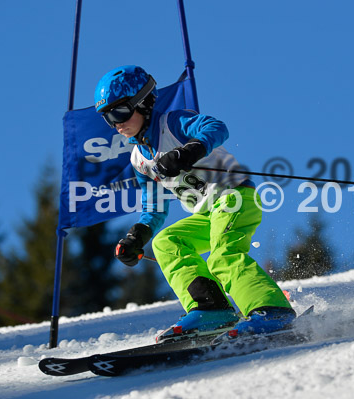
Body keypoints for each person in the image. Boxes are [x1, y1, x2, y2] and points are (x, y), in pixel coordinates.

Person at [94, 65, 295, 341]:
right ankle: (211, 308)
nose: (116, 123)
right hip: (208, 214)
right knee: (167, 242)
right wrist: (136, 236)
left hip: (234, 196)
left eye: (120, 112)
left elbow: (216, 127)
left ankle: (273, 310)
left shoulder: (172, 123)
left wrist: (189, 150)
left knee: (223, 255)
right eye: (108, 118)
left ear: (143, 102)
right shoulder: (139, 161)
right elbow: (154, 207)